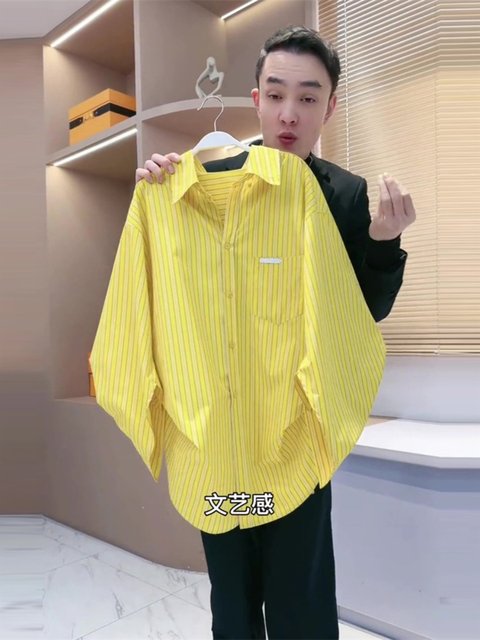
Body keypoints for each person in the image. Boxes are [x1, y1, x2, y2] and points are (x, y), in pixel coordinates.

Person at [133, 26, 416, 640]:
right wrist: (159, 185)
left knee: (299, 595)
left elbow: (363, 313)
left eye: (308, 97)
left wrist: (384, 243)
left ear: (329, 107)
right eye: (277, 94)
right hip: (218, 441)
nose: (290, 114)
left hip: (294, 440)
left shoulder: (343, 195)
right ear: (256, 99)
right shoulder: (203, 181)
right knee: (232, 596)